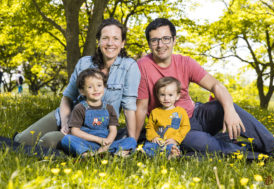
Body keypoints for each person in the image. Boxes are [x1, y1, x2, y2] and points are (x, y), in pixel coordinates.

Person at [136, 18, 274, 157]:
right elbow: (141, 108)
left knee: (225, 106)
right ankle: (252, 153)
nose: (161, 45)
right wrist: (132, 141)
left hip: (197, 114)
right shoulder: (142, 67)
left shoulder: (185, 62)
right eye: (155, 40)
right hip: (175, 128)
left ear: (174, 40)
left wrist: (229, 111)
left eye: (166, 38)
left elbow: (216, 85)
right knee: (210, 147)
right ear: (149, 44)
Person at [14, 18, 141, 149]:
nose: (110, 43)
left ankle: (69, 144)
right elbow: (67, 97)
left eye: (115, 38)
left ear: (122, 43)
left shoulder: (129, 67)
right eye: (105, 38)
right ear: (98, 41)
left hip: (92, 128)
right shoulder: (84, 63)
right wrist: (65, 122)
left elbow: (129, 108)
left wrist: (132, 143)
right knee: (21, 141)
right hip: (66, 116)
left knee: (47, 142)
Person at [61, 68, 136, 157]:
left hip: (106, 143)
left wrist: (107, 143)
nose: (96, 89)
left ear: (104, 87)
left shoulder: (109, 108)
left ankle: (114, 154)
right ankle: (88, 154)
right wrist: (98, 140)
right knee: (67, 139)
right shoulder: (80, 108)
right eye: (90, 87)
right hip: (86, 142)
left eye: (99, 85)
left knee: (131, 140)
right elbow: (75, 131)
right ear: (82, 91)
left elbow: (113, 130)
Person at [142, 77, 190, 158]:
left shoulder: (180, 112)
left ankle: (172, 154)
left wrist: (176, 139)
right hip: (157, 141)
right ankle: (146, 154)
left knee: (171, 148)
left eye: (170, 95)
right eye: (162, 95)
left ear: (177, 96)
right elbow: (149, 126)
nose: (166, 98)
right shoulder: (155, 112)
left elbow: (185, 127)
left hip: (171, 141)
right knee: (149, 146)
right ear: (157, 95)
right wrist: (154, 137)